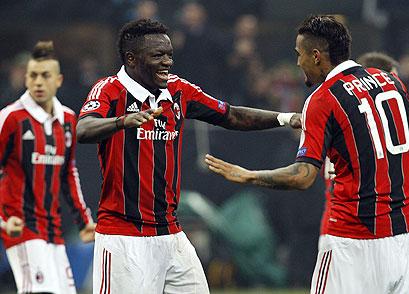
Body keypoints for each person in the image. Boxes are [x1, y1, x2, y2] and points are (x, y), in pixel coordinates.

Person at [205, 15, 409, 294]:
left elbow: (303, 177)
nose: (297, 62)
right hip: (403, 234)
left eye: (298, 55)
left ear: (315, 56)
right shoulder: (391, 81)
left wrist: (250, 175)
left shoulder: (323, 98)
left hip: (353, 237)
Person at [76, 19, 301, 293]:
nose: (167, 62)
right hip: (124, 236)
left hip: (170, 233)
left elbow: (230, 114)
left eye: (170, 54)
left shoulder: (178, 90)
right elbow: (84, 129)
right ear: (132, 59)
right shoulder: (109, 89)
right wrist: (123, 121)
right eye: (158, 55)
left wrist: (285, 118)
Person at [0, 41, 96, 294]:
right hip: (21, 224)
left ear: (59, 80)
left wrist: (84, 219)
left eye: (45, 76)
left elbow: (69, 173)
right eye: (32, 75)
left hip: (53, 226)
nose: (39, 82)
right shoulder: (10, 117)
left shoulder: (67, 119)